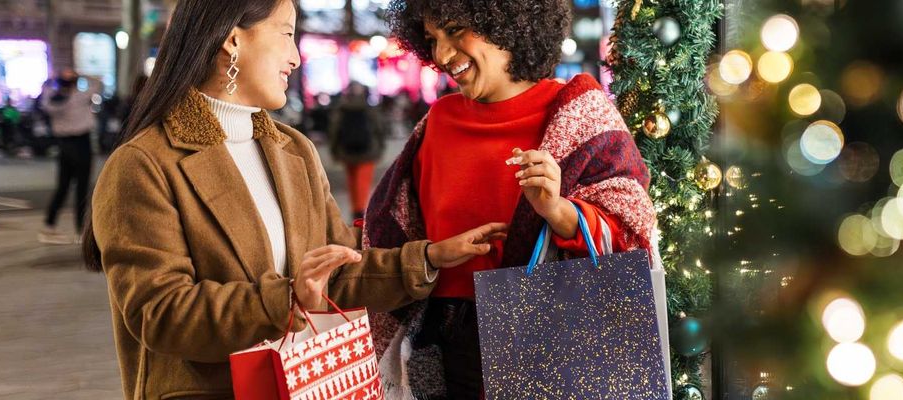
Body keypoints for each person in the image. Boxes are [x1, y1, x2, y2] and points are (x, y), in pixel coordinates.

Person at [81, 0, 508, 398]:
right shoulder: (144, 164)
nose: (296, 57)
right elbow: (160, 314)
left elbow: (335, 271)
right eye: (286, 34)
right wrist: (287, 300)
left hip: (305, 382)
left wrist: (429, 257)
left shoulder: (292, 149)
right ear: (233, 39)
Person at [371, 0, 659, 397]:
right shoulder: (438, 121)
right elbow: (396, 225)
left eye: (455, 30)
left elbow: (631, 229)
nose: (442, 54)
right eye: (432, 39)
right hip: (446, 344)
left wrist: (557, 211)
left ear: (507, 20)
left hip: (551, 335)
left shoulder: (579, 112)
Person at [39, 69, 95, 244]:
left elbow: (44, 93)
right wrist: (82, 74)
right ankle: (80, 231)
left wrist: (52, 81)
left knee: (63, 187)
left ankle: (49, 225)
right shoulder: (79, 97)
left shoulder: (52, 101)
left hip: (63, 145)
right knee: (82, 188)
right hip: (82, 143)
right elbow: (97, 84)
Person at [327, 82, 385, 220]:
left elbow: (334, 132)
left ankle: (355, 209)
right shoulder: (369, 109)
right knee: (363, 182)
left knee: (352, 181)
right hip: (367, 152)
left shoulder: (342, 109)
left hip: (347, 152)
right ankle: (360, 210)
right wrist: (380, 149)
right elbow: (379, 130)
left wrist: (334, 151)